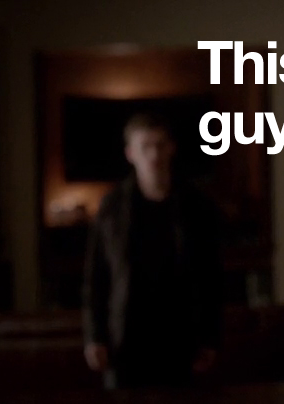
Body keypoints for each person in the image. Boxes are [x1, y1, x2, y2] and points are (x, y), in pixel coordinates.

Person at [82, 113, 223, 390]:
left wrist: (211, 338)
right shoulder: (112, 208)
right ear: (131, 153)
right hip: (125, 338)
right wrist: (94, 337)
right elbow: (96, 278)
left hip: (180, 338)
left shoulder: (197, 207)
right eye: (145, 146)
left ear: (171, 148)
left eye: (159, 145)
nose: (154, 154)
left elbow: (212, 277)